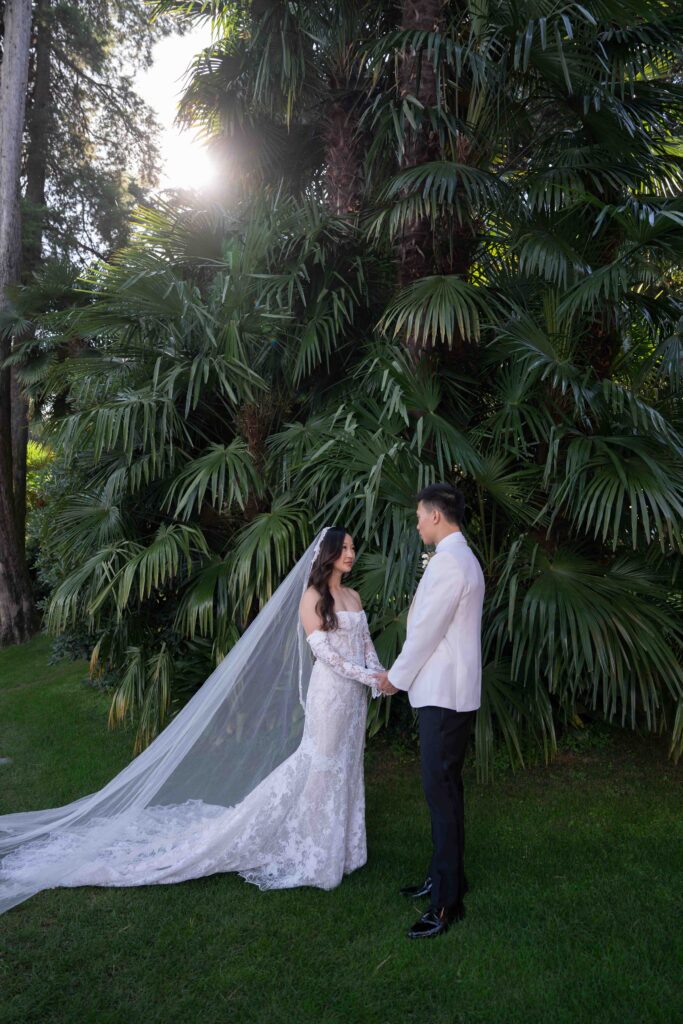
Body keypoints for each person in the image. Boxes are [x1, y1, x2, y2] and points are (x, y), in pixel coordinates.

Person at [0, 526, 385, 913]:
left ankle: (346, 849)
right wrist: (372, 678)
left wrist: (382, 676)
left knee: (347, 765)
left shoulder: (351, 595)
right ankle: (317, 853)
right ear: (328, 553)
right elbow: (328, 656)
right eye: (344, 548)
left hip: (355, 697)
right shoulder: (312, 597)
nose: (351, 553)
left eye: (353, 547)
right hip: (331, 694)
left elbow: (365, 645)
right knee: (321, 766)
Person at [375, 483, 485, 940]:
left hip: (444, 695)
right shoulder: (462, 558)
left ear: (436, 516)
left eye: (420, 516)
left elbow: (424, 633)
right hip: (452, 694)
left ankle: (445, 905)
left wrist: (394, 679)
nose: (417, 523)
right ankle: (447, 878)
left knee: (440, 796)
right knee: (447, 793)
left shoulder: (449, 564)